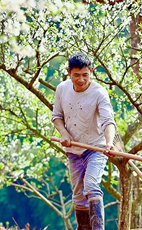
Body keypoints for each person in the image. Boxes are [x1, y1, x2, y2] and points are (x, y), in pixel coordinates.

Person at [52, 52, 115, 230]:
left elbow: (108, 121)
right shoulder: (62, 89)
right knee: (78, 196)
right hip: (73, 150)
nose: (81, 79)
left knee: (91, 185)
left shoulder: (99, 93)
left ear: (91, 72)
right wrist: (64, 133)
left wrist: (109, 143)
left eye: (85, 75)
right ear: (69, 73)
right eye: (76, 75)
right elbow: (57, 116)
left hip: (95, 148)